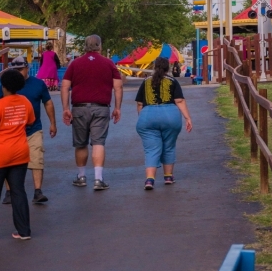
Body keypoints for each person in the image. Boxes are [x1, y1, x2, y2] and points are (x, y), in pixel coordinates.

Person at [61, 35, 122, 191]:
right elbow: (118, 87)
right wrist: (117, 107)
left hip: (79, 108)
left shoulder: (75, 64)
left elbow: (65, 87)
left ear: (85, 47)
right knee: (98, 143)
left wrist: (66, 108)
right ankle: (98, 179)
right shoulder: (108, 64)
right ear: (99, 46)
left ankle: (81, 177)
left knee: (80, 143)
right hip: (101, 108)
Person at [0, 56, 57, 205]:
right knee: (8, 161)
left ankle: (38, 191)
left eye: (21, 69)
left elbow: (48, 103)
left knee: (37, 158)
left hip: (33, 129)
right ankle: (9, 192)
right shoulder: (8, 85)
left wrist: (53, 123)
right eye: (15, 69)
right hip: (10, 130)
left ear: (27, 68)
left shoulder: (38, 84)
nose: (18, 72)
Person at [135, 57, 192, 190]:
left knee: (151, 149)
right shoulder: (172, 81)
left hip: (148, 115)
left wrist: (142, 117)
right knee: (169, 146)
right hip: (170, 116)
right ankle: (168, 177)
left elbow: (139, 103)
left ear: (155, 67)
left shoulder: (146, 81)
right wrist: (187, 118)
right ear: (168, 68)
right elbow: (179, 101)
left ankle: (149, 180)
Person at [0, 68, 35, 240]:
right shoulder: (25, 101)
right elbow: (31, 121)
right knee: (18, 191)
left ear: (3, 86)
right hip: (20, 152)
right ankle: (24, 230)